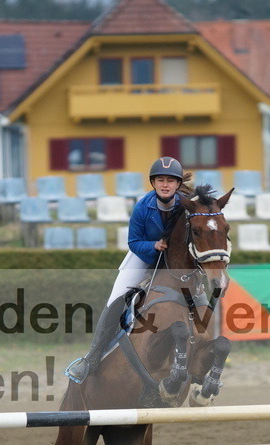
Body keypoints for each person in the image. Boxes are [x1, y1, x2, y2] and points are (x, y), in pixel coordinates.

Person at [66, 156, 187, 383]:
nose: (165, 185)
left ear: (178, 184)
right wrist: (154, 246)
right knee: (116, 300)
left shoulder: (186, 205)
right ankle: (92, 358)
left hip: (174, 260)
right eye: (160, 180)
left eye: (170, 181)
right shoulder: (143, 207)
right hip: (144, 256)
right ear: (153, 183)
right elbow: (133, 242)